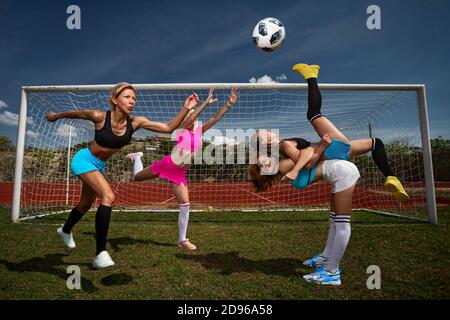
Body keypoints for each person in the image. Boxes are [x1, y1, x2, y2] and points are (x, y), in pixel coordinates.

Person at [46, 82, 200, 268]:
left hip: (99, 165)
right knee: (109, 196)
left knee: (85, 204)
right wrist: (55, 116)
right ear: (114, 100)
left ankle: (65, 229)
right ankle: (100, 253)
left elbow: (169, 128)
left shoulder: (135, 123)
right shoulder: (99, 116)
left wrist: (186, 108)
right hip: (83, 160)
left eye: (134, 98)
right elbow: (75, 113)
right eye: (127, 97)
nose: (132, 101)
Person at [250, 63, 410, 201]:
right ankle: (311, 75)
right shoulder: (284, 145)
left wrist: (300, 164)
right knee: (313, 114)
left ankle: (391, 178)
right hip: (332, 147)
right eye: (264, 133)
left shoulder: (283, 151)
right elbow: (308, 161)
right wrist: (309, 157)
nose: (269, 131)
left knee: (376, 143)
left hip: (336, 153)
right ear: (265, 142)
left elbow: (307, 162)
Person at [125, 88, 239, 250]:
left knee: (185, 204)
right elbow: (192, 116)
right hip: (168, 165)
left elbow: (215, 118)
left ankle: (182, 240)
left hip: (180, 172)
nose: (193, 116)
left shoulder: (199, 131)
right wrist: (205, 103)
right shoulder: (182, 129)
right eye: (191, 114)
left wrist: (228, 104)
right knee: (136, 177)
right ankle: (137, 157)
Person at [248, 155, 360, 286]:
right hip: (340, 173)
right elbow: (310, 159)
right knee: (337, 221)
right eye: (261, 163)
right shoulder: (282, 167)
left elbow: (310, 158)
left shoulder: (282, 166)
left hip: (342, 172)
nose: (264, 158)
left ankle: (330, 268)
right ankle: (328, 265)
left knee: (340, 221)